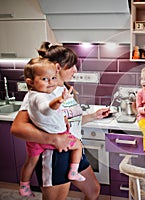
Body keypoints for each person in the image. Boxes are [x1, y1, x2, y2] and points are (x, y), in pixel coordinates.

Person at [11, 42, 110, 200]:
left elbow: (66, 121)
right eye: (71, 66)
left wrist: (93, 116)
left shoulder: (65, 90)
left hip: (74, 148)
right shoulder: (41, 92)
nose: (76, 70)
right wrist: (54, 139)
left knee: (93, 190)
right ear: (58, 68)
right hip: (54, 155)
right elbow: (17, 128)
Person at [19, 58, 85, 197]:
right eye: (45, 79)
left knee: (31, 162)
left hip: (55, 139)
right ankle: (73, 171)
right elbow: (46, 110)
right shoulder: (40, 96)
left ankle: (24, 184)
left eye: (53, 78)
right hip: (52, 145)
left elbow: (52, 115)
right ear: (30, 82)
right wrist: (59, 101)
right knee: (77, 145)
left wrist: (63, 117)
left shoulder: (47, 93)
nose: (51, 82)